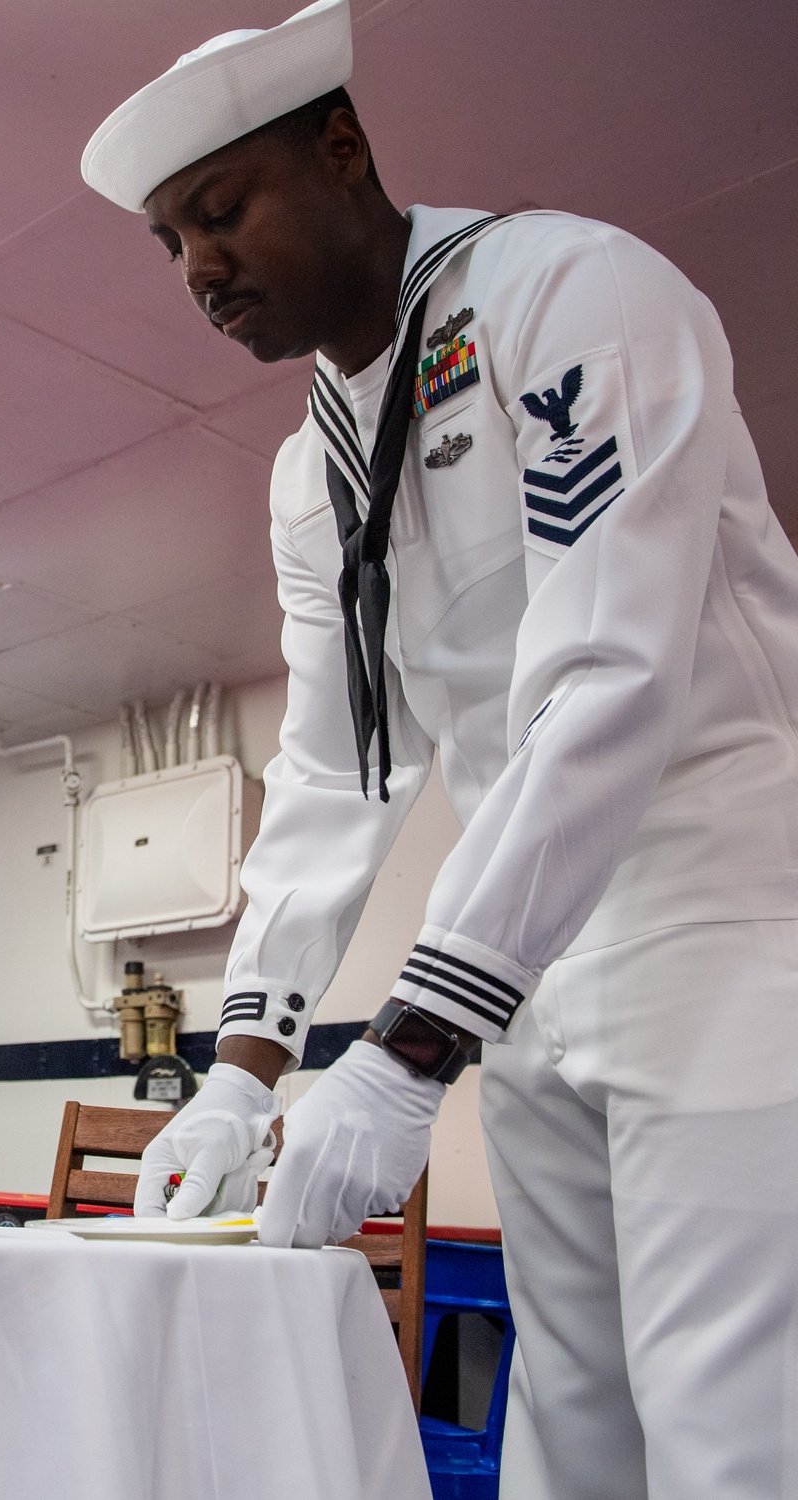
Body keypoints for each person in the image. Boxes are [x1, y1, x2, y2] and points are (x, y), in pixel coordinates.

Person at [81, 3, 798, 1495]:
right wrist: (244, 1066)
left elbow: (609, 679)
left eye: (221, 211)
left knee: (733, 1429)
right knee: (573, 1423)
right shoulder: (308, 471)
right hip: (530, 962)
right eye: (170, 243)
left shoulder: (571, 293)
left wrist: (408, 1048)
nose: (199, 270)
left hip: (725, 921)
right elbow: (344, 766)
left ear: (342, 150)